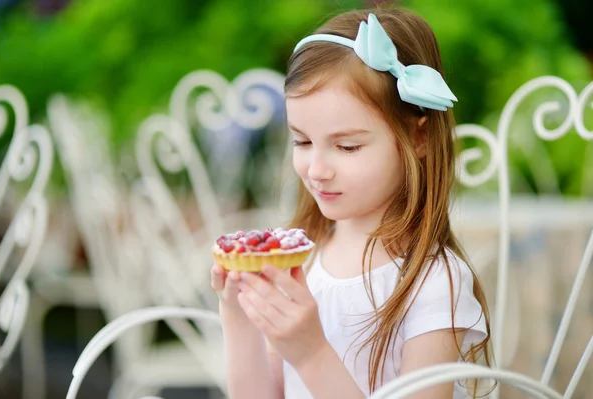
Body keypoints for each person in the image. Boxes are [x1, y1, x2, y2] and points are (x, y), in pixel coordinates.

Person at [210, 7, 493, 399]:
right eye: (303, 142)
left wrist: (311, 354)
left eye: (347, 146)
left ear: (418, 138)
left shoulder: (431, 282)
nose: (318, 169)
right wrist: (237, 316)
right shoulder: (303, 257)